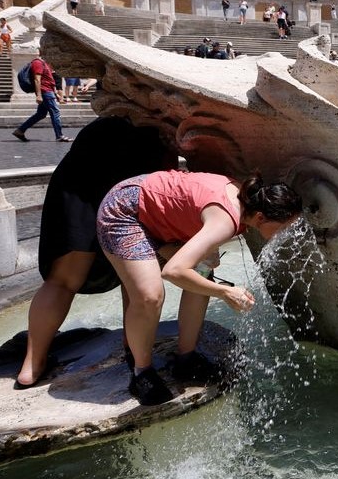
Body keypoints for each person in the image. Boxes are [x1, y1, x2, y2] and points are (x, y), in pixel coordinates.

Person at [98, 170, 303, 405]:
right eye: (283, 226)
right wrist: (226, 292)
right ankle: (141, 373)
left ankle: (186, 359)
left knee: (204, 270)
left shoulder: (248, 199)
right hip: (124, 211)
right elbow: (174, 271)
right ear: (260, 218)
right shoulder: (227, 220)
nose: (286, 233)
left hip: (155, 215)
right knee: (150, 295)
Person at [14, 117, 176, 388]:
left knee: (63, 280)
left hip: (85, 164)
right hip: (138, 170)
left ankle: (32, 364)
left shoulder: (114, 110)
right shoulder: (159, 122)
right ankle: (134, 350)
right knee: (136, 274)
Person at [12, 46, 72, 143]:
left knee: (41, 114)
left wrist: (55, 92)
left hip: (48, 91)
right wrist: (39, 95)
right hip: (45, 92)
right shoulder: (38, 63)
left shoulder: (44, 64)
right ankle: (59, 136)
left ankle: (20, 130)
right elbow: (37, 80)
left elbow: (48, 80)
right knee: (55, 112)